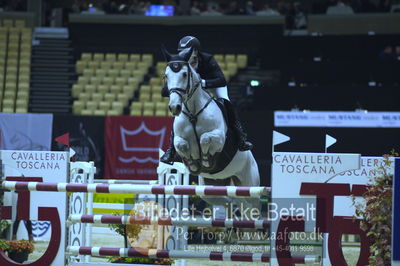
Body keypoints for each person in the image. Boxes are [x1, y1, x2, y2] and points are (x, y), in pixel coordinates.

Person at [160, 36, 253, 165]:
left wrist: (201, 82)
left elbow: (221, 80)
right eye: (181, 51)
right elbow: (166, 90)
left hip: (213, 86)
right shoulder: (180, 62)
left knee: (226, 103)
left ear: (196, 51)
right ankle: (171, 150)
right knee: (179, 111)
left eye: (186, 50)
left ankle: (240, 138)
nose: (183, 54)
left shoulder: (207, 59)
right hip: (194, 92)